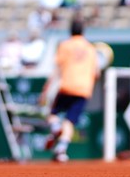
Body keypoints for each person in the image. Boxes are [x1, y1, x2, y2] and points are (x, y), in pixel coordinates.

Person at [39, 18, 99, 163]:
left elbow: (57, 69)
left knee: (53, 114)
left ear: (70, 30)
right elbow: (96, 73)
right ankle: (61, 149)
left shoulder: (65, 45)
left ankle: (55, 128)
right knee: (70, 121)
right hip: (84, 89)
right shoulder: (91, 49)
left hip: (67, 86)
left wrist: (46, 88)